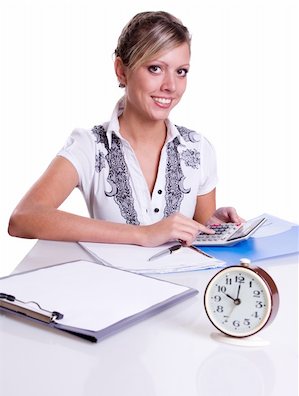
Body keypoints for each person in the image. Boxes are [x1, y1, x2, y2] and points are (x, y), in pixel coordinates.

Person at [8, 11, 243, 248]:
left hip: (185, 285)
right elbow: (24, 218)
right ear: (121, 70)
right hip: (113, 285)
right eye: (155, 68)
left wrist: (212, 228)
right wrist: (143, 234)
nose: (171, 86)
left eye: (181, 71)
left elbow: (201, 251)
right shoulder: (91, 146)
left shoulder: (198, 149)